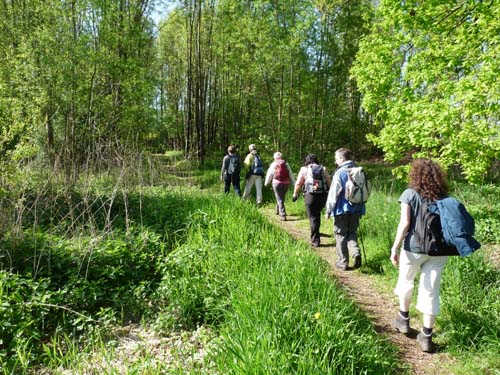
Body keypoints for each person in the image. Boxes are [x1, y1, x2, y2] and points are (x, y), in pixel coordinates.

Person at [389, 158, 450, 353]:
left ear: (415, 174)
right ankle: (426, 336)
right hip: (439, 250)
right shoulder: (443, 196)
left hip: (413, 248)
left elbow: (405, 223)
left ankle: (403, 320)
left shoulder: (409, 194)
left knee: (406, 282)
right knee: (431, 290)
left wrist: (394, 247)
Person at [325, 148, 366, 271]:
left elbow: (333, 194)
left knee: (340, 234)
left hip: (342, 209)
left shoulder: (340, 173)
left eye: (336, 159)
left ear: (342, 159)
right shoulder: (359, 170)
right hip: (358, 208)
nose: (336, 161)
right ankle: (356, 253)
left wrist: (328, 210)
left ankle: (343, 262)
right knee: (352, 233)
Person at [292, 154, 331, 247]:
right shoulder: (323, 169)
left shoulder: (304, 169)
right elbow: (329, 181)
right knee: (316, 215)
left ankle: (315, 240)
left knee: (313, 217)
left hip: (310, 196)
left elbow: (298, 184)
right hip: (322, 196)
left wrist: (295, 194)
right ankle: (316, 232)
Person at [264, 152, 295, 221]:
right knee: (281, 197)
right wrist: (294, 183)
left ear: (274, 157)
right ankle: (277, 210)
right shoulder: (286, 164)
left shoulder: (273, 164)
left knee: (279, 198)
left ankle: (283, 215)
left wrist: (266, 183)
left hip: (276, 183)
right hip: (286, 183)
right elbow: (290, 173)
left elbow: (270, 174)